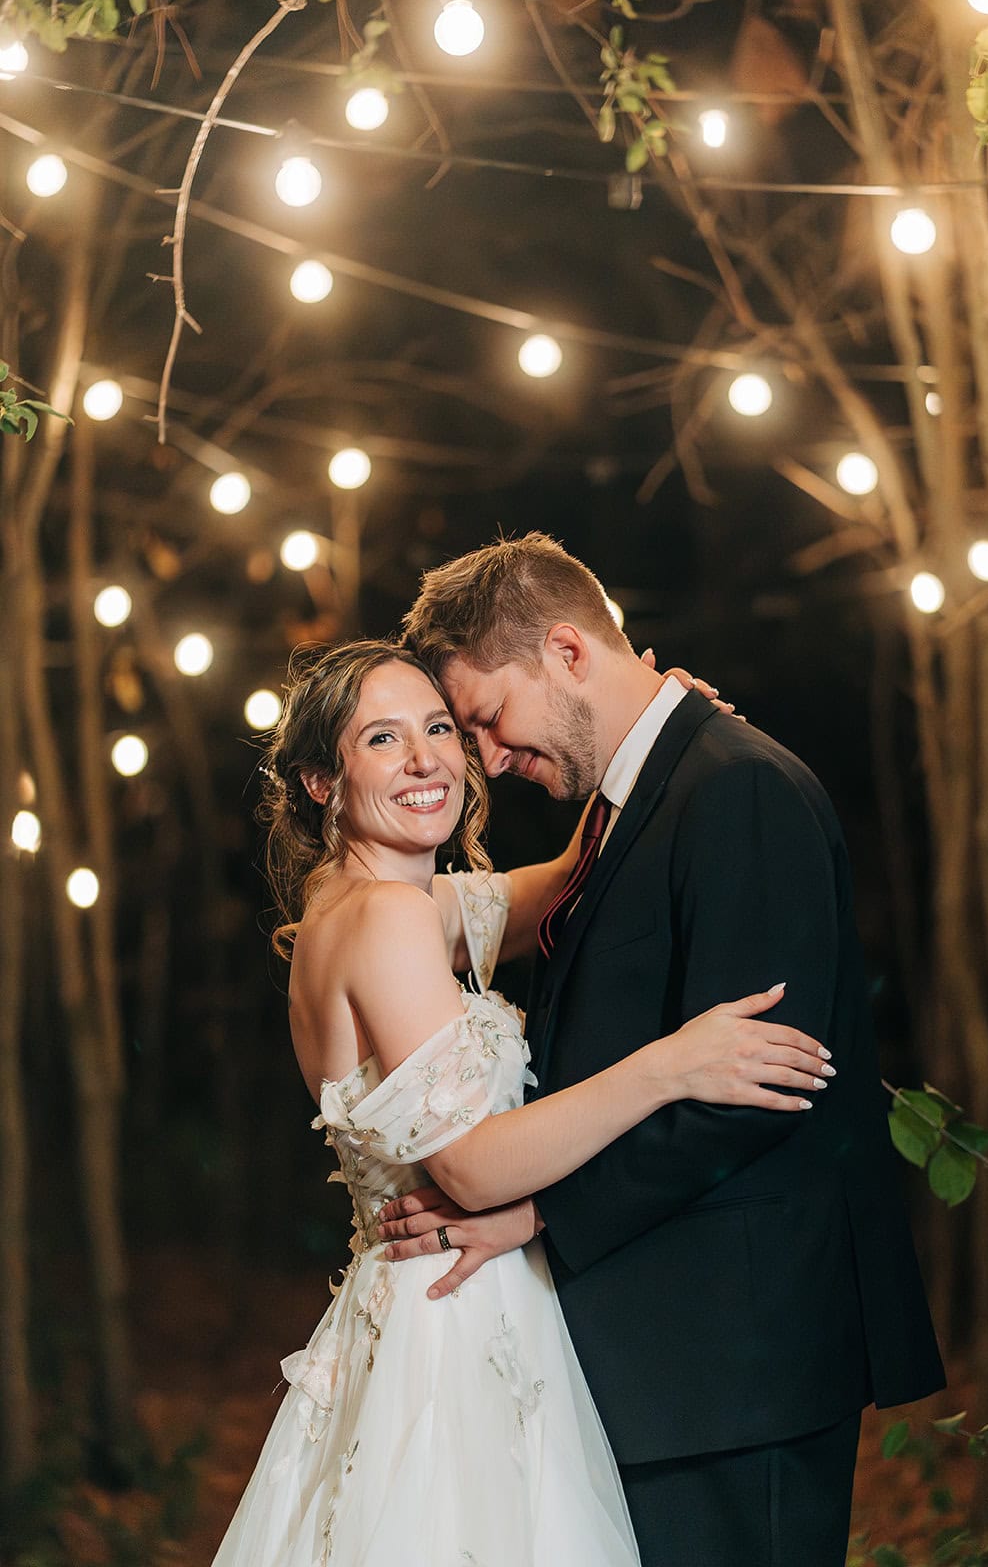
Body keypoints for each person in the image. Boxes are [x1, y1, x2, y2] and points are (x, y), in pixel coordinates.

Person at [210, 639, 833, 1567]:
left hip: (434, 1297)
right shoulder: (384, 920)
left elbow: (554, 884)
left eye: (438, 729)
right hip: (453, 1322)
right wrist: (671, 1065)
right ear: (318, 781)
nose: (428, 760)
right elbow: (469, 1164)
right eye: (384, 739)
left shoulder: (356, 901)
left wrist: (650, 725)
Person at [389, 533, 946, 1567]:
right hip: (668, 1353)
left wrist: (537, 1212)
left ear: (564, 649)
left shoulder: (735, 787)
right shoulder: (634, 802)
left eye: (487, 718)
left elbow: (758, 1085)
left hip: (738, 1356)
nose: (490, 758)